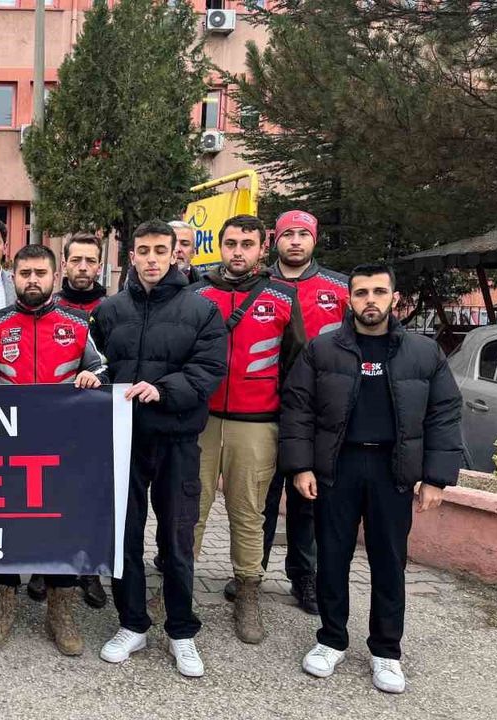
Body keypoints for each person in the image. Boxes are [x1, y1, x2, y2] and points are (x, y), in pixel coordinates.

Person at [282, 263, 462, 694]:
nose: (370, 301)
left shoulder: (423, 353)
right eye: (361, 293)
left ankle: (386, 651)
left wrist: (436, 477)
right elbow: (298, 407)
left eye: (379, 292)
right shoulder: (322, 350)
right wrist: (301, 466)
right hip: (336, 468)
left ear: (393, 298)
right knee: (331, 557)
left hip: (392, 470)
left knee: (389, 562)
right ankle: (331, 640)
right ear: (349, 299)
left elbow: (443, 413)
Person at [91, 220, 227, 678]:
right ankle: (132, 624)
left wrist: (164, 389)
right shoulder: (109, 310)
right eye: (144, 250)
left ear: (175, 255)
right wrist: (94, 378)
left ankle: (181, 631)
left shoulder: (201, 309)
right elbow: (100, 363)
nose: (151, 259)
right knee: (125, 535)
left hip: (177, 439)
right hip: (123, 440)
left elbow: (209, 368)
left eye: (160, 251)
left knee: (177, 539)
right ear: (132, 256)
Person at [0, 244, 106, 656]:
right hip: (4, 447)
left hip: (62, 448)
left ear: (55, 276)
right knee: (4, 526)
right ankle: (1, 609)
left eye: (40, 273)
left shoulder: (78, 322)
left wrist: (93, 376)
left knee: (61, 526)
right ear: (13, 276)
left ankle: (60, 614)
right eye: (25, 273)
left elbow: (103, 366)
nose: (32, 280)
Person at [190, 214, 306, 645]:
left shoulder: (283, 296)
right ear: (220, 246)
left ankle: (248, 592)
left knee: (249, 513)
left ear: (262, 248)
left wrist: (286, 422)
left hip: (257, 424)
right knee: (190, 511)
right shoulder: (197, 293)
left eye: (247, 244)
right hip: (201, 422)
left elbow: (296, 363)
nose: (238, 251)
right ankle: (176, 589)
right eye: (231, 243)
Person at [258, 210, 348, 615]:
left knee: (307, 499)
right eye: (287, 234)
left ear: (315, 239)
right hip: (263, 409)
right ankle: (251, 572)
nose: (295, 241)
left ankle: (303, 576)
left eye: (303, 234)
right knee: (260, 497)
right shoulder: (258, 285)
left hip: (316, 415)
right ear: (274, 240)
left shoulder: (340, 288)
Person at [56, 232, 107, 314]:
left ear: (99, 268)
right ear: (64, 266)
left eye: (91, 261)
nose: (83, 268)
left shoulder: (111, 309)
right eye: (75, 260)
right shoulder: (48, 308)